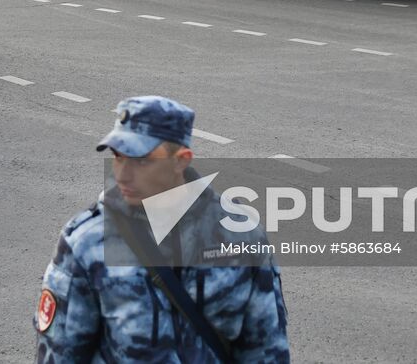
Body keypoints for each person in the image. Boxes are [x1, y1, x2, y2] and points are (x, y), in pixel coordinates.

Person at [35, 96, 291, 362]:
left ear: (181, 160)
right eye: (118, 157)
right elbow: (60, 354)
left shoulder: (241, 235)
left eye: (141, 161)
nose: (122, 174)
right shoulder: (86, 243)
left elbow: (267, 350)